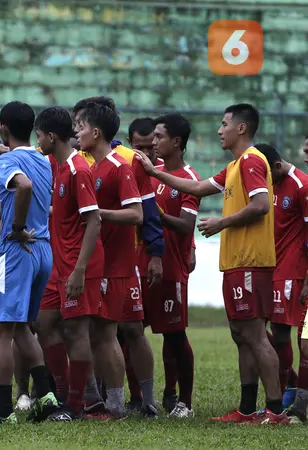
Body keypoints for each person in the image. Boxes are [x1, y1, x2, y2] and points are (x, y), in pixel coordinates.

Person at [135, 103, 285, 424]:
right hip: (234, 262)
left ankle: (275, 410)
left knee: (255, 334)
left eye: (224, 124)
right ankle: (246, 409)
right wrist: (154, 172)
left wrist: (222, 222)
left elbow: (260, 206)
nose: (219, 130)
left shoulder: (252, 161)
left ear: (241, 128)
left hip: (251, 261)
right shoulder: (233, 166)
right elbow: (199, 187)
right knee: (240, 333)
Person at [0, 102, 63, 424]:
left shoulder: (9, 160)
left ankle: (4, 411)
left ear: (3, 127)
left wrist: (16, 227)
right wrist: (1, 209)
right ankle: (47, 395)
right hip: (43, 251)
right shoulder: (42, 158)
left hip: (17, 252)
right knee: (23, 326)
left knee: (0, 333)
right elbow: (32, 191)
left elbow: (23, 186)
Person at [73, 98, 161, 417]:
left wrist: (97, 213)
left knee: (109, 334)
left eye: (80, 127)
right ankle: (105, 400)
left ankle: (117, 404)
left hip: (117, 265)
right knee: (99, 333)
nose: (76, 132)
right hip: (101, 261)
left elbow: (136, 214)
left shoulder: (119, 167)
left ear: (96, 132)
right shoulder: (94, 167)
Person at [33, 106, 103, 420]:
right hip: (59, 265)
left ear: (51, 136)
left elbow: (94, 222)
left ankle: (75, 406)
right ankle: (61, 395)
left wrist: (79, 270)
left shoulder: (78, 169)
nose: (38, 142)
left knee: (76, 332)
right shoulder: (59, 167)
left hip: (78, 266)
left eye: (39, 136)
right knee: (44, 324)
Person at [137, 114, 199, 418]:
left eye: (159, 137)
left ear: (176, 141)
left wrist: (155, 216)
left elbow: (187, 226)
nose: (154, 142)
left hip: (171, 267)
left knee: (174, 335)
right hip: (142, 261)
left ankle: (183, 401)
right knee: (129, 329)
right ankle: (138, 397)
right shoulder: (154, 170)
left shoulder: (189, 178)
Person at [253, 144, 308, 423]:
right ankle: (291, 384)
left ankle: (288, 394)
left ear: (275, 166)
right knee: (257, 330)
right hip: (268, 266)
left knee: (287, 335)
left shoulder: (301, 184)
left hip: (291, 270)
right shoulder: (266, 184)